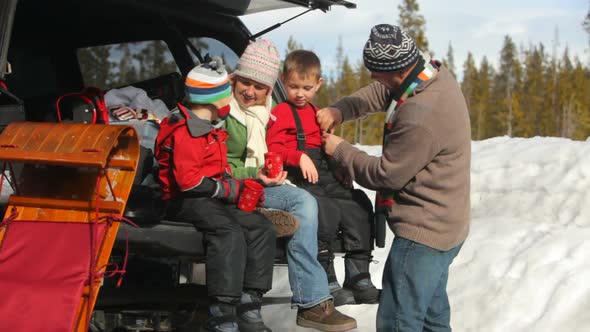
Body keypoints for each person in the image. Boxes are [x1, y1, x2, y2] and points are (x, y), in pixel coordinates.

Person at [318, 24, 471, 331]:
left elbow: (386, 175)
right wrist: (341, 110)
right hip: (446, 226)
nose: (372, 77)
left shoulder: (420, 115)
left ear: (397, 71)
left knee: (398, 322)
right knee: (431, 320)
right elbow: (384, 90)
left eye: (376, 72)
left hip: (423, 235)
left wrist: (340, 150)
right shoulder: (428, 77)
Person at [224, 40, 357, 331]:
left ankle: (312, 302)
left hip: (268, 184)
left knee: (307, 202)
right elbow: (217, 164)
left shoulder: (271, 110)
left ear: (270, 87)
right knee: (295, 204)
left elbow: (305, 134)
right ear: (234, 79)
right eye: (245, 82)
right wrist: (254, 173)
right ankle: (267, 215)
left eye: (259, 86)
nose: (250, 91)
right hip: (236, 183)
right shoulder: (223, 111)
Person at [154, 58, 276, 332]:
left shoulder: (211, 130)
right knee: (228, 231)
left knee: (260, 227)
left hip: (208, 197)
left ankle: (250, 303)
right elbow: (188, 183)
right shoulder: (186, 132)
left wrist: (243, 189)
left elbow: (218, 172)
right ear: (216, 101)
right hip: (183, 200)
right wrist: (229, 190)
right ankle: (223, 313)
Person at [266, 49, 379, 307]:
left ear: (319, 84)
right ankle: (325, 277)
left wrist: (339, 166)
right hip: (297, 177)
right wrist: (296, 157)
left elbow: (325, 144)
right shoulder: (281, 112)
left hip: (323, 174)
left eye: (306, 87)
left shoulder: (318, 113)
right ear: (283, 81)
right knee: (323, 210)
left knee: (358, 203)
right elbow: (271, 148)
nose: (300, 93)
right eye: (293, 86)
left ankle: (358, 275)